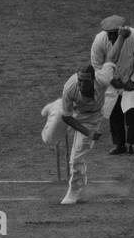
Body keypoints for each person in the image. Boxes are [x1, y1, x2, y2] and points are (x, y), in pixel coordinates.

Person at [41, 61, 116, 205]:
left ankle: (74, 191)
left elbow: (110, 64)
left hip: (92, 117)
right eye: (79, 80)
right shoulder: (70, 87)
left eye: (85, 81)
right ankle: (58, 106)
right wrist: (88, 132)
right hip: (71, 113)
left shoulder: (103, 80)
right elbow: (67, 117)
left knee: (77, 157)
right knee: (49, 140)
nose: (81, 84)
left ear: (93, 80)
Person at [91, 15, 134, 155]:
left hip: (131, 79)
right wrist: (111, 80)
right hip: (111, 81)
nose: (111, 37)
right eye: (109, 34)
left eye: (114, 33)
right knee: (114, 111)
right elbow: (97, 64)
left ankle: (133, 144)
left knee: (132, 111)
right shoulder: (99, 40)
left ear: (121, 31)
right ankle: (119, 144)